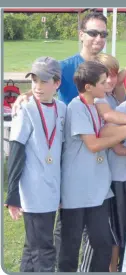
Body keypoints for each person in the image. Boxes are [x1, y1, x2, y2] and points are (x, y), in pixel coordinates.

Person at [57, 61, 126, 272]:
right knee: (71, 245)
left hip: (99, 189)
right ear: (88, 87)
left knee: (104, 244)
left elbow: (108, 127)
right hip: (76, 189)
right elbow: (94, 144)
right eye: (102, 81)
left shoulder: (98, 104)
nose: (108, 83)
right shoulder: (76, 107)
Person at [5, 57, 66, 272]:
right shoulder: (26, 111)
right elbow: (16, 153)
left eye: (44, 82)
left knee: (33, 248)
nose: (37, 87)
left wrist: (60, 192)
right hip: (33, 192)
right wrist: (12, 195)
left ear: (56, 83)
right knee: (44, 249)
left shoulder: (62, 109)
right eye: (34, 81)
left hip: (51, 191)